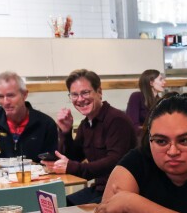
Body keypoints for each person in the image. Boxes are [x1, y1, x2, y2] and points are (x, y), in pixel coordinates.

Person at [42, 69, 136, 205]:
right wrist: (65, 132)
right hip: (99, 189)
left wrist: (73, 167)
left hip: (121, 192)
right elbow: (72, 158)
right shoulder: (86, 124)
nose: (80, 99)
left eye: (85, 92)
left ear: (99, 92)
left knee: (67, 210)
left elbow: (115, 161)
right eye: (74, 95)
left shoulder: (116, 120)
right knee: (59, 204)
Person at [0, 71, 58, 160]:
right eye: (0, 96)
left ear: (24, 95)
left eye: (10, 95)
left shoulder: (45, 124)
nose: (6, 102)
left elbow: (52, 161)